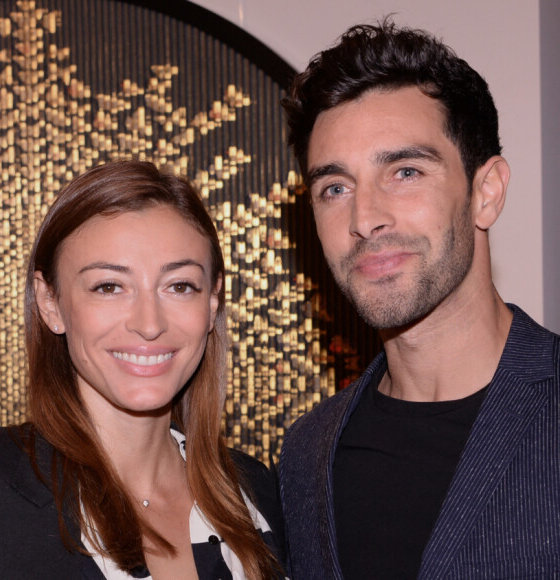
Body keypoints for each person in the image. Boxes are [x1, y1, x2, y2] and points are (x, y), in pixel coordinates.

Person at [278, 19, 560, 580]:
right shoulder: (306, 455)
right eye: (335, 188)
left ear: (486, 193)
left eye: (405, 172)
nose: (364, 218)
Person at [0, 160, 285, 579]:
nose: (149, 323)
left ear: (212, 302)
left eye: (179, 286)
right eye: (109, 286)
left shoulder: (257, 490)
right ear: (50, 303)